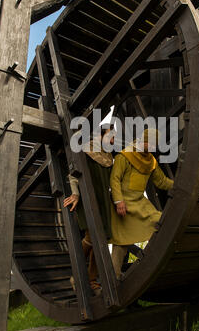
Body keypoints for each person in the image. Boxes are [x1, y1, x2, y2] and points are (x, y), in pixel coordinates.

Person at [110, 128, 174, 279]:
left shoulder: (150, 161)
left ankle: (152, 265)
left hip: (140, 202)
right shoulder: (124, 156)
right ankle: (114, 276)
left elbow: (161, 181)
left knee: (160, 220)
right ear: (142, 140)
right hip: (124, 203)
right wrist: (119, 201)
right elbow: (114, 179)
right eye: (150, 144)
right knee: (121, 243)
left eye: (155, 145)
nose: (153, 147)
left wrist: (179, 185)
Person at [64, 125, 114, 295]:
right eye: (111, 135)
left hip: (104, 202)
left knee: (102, 238)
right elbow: (72, 174)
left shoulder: (108, 156)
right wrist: (75, 194)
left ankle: (92, 280)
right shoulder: (87, 149)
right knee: (91, 237)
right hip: (88, 199)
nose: (113, 140)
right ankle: (76, 274)